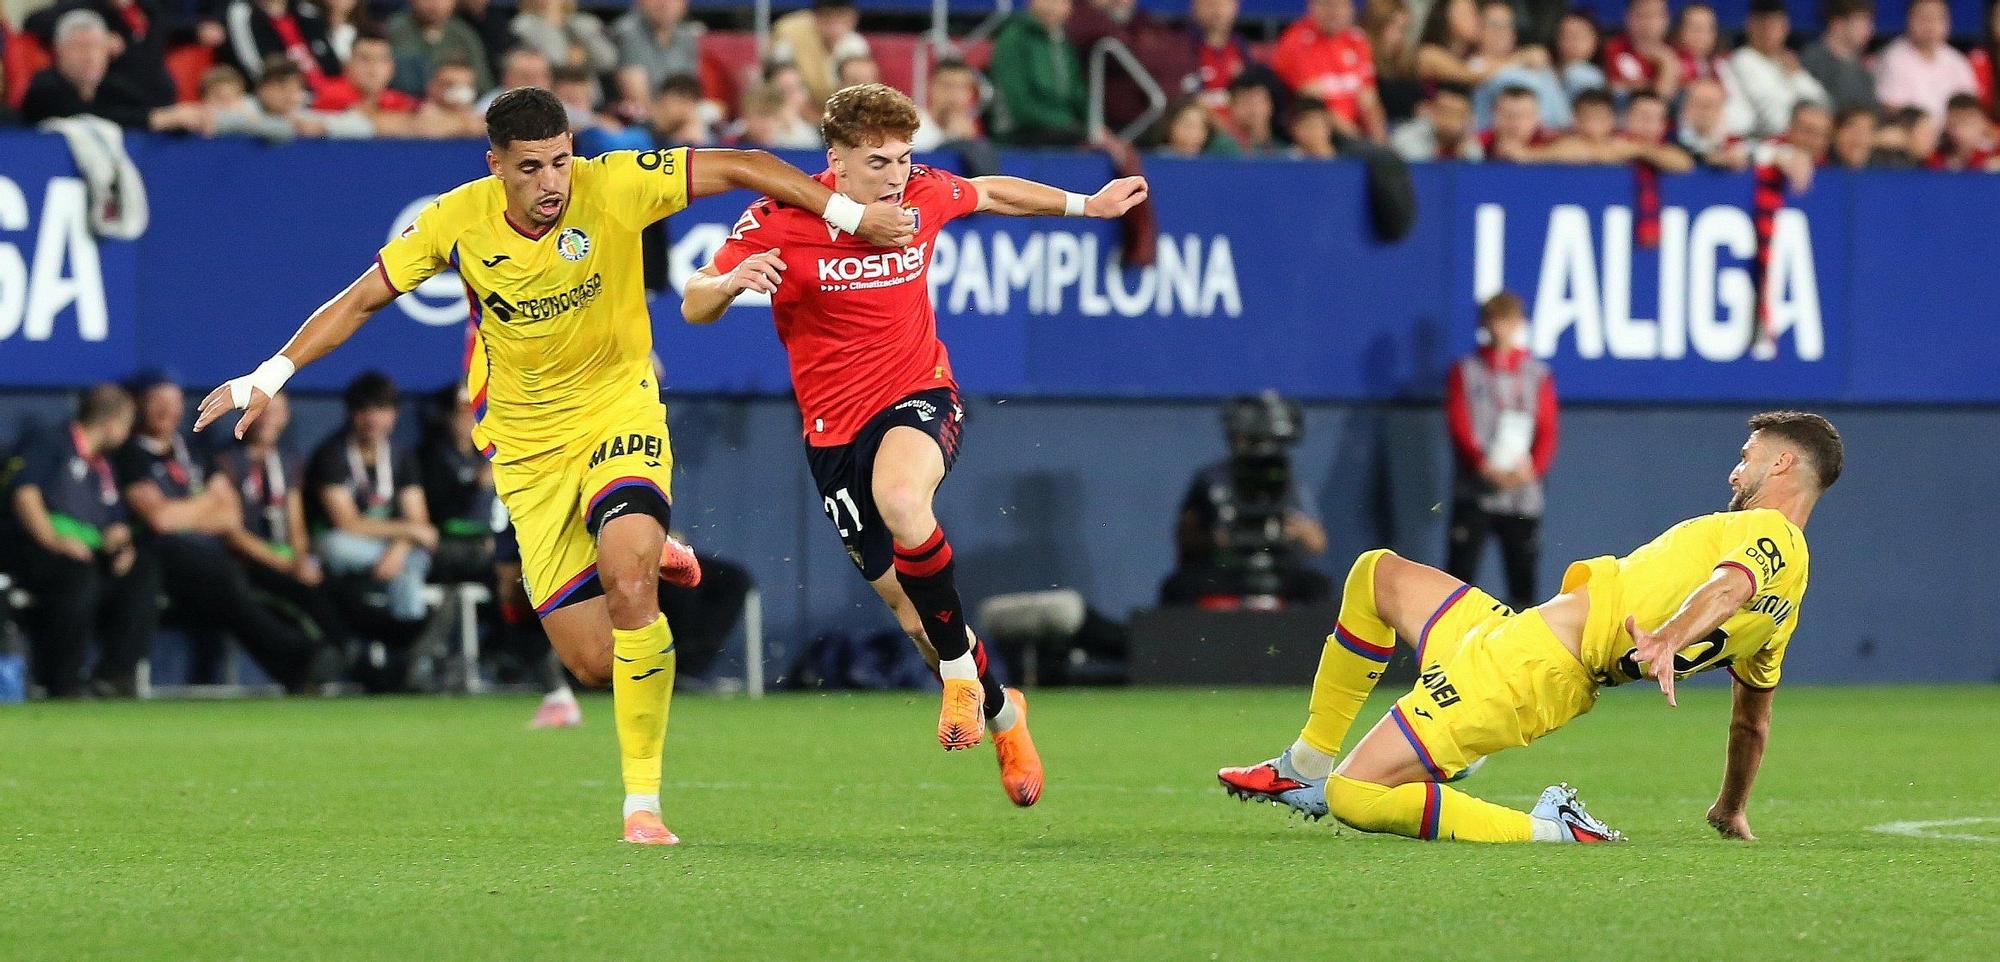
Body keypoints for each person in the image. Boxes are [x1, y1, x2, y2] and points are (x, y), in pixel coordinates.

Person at [194, 86, 913, 844]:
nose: (551, 184)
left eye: (562, 162)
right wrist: (268, 373)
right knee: (594, 663)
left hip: (618, 411)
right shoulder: (454, 221)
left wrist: (850, 214)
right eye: (531, 167)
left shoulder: (614, 184)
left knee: (628, 582)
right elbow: (363, 298)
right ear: (495, 166)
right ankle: (643, 545)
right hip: (529, 453)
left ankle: (643, 803)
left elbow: (744, 164)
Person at [683, 83, 1144, 806]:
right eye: (877, 162)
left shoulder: (923, 194)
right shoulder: (779, 217)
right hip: (831, 432)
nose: (895, 177)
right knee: (915, 620)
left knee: (902, 498)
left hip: (919, 393)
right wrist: (733, 281)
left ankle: (962, 680)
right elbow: (693, 302)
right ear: (833, 158)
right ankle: (1002, 710)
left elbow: (989, 192)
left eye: (903, 159)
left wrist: (1090, 205)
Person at [1221, 412, 1842, 844]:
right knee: (1377, 577)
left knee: (1355, 795)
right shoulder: (1783, 613)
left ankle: (1555, 829)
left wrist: (1671, 634)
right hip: (1517, 638)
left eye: (1747, 457)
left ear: (1784, 461)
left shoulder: (1773, 534)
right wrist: (1730, 806)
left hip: (1527, 671)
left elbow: (1731, 584)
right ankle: (1305, 762)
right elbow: (1750, 722)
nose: (1736, 472)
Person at [117, 371, 329, 692]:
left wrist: (185, 512)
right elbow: (159, 520)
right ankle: (299, 657)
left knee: (240, 587)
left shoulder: (193, 451)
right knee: (229, 583)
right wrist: (205, 507)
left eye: (173, 403)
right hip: (165, 558)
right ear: (140, 407)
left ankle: (303, 662)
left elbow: (230, 513)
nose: (166, 411)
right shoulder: (130, 455)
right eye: (157, 402)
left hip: (212, 555)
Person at [3, 385, 155, 698]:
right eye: (127, 425)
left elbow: (112, 518)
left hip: (89, 551)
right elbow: (25, 494)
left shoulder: (103, 465)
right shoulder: (50, 442)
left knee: (141, 573)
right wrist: (54, 540)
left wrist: (121, 542)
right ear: (112, 421)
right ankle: (62, 683)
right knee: (76, 576)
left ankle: (114, 676)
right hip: (36, 549)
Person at [213, 390, 354, 675]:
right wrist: (288, 565)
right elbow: (231, 532)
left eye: (275, 410)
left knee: (326, 584)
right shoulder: (225, 461)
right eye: (262, 409)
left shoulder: (288, 462)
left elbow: (295, 523)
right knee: (300, 592)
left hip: (285, 561)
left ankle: (350, 655)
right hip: (246, 563)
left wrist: (300, 559)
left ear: (286, 417)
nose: (268, 418)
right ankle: (339, 658)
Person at [1162, 391, 1331, 608]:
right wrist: (1216, 538)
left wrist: (1296, 529)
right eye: (1255, 440)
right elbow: (1184, 538)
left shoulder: (1288, 480)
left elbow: (1318, 542)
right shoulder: (1211, 479)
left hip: (1278, 568)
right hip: (1224, 568)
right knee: (1178, 588)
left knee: (1317, 587)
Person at [1443, 292, 1557, 612]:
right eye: (1494, 319)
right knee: (1457, 582)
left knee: (1524, 583)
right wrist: (1482, 466)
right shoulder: (1466, 371)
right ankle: (1446, 655)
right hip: (1476, 491)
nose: (1500, 328)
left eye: (1507, 320)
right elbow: (1459, 424)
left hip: (1522, 493)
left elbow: (1548, 431)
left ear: (1520, 324)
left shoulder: (1537, 374)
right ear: (1483, 323)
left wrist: (1531, 470)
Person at [22, 9, 204, 130]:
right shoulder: (44, 89)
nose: (90, 56)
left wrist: (176, 116)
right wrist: (154, 119)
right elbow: (87, 119)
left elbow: (148, 103)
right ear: (59, 51)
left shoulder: (112, 87)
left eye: (97, 47)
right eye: (80, 47)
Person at [1270, 0, 1386, 142]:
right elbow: (1315, 102)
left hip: (1358, 136)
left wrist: (1380, 140)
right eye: (1327, 4)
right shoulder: (1296, 42)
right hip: (1318, 133)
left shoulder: (1357, 40)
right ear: (1312, 6)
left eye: (1341, 5)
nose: (1335, 12)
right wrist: (1358, 139)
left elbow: (1369, 100)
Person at [987, 0, 1090, 146]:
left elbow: (1077, 91)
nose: (1052, 6)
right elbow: (1018, 102)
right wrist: (1065, 122)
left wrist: (1092, 124)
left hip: (1063, 130)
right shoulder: (1013, 38)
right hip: (1019, 132)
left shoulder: (1065, 42)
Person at [1723, 0, 1827, 140]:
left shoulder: (1789, 63)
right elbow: (1772, 119)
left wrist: (1796, 76)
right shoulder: (1743, 59)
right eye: (1764, 25)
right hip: (1768, 142)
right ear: (1750, 25)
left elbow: (1824, 104)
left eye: (1776, 25)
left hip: (1803, 140)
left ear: (1785, 27)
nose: (1769, 32)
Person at [1874, 0, 1978, 124]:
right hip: (1910, 132)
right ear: (1908, 19)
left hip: (1952, 134)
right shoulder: (1892, 58)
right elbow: (1891, 108)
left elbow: (1968, 106)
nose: (1930, 25)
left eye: (1937, 18)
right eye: (1924, 18)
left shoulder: (1957, 61)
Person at [768, 0, 867, 106]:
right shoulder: (792, 36)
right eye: (827, 16)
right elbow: (776, 76)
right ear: (815, 17)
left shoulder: (856, 45)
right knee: (787, 78)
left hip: (841, 112)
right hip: (798, 113)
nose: (834, 24)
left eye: (841, 16)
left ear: (853, 19)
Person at [386, 0, 493, 96]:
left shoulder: (463, 34)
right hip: (401, 106)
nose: (435, 4)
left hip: (457, 108)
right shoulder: (395, 30)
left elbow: (482, 84)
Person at [1801, 0, 1877, 115]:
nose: (1870, 30)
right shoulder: (1812, 60)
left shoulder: (1861, 66)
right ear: (1838, 23)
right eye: (1862, 21)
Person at [612, 0, 701, 92]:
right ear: (640, 2)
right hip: (641, 105)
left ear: (684, 4)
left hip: (678, 104)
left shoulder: (686, 38)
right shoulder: (627, 32)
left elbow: (689, 92)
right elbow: (638, 98)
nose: (664, 4)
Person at [510, 0, 614, 75]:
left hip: (587, 95)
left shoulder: (585, 22)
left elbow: (607, 61)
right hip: (547, 93)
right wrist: (550, 20)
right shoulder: (523, 25)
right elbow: (555, 59)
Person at [1190, 0, 1256, 115]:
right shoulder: (1183, 48)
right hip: (1200, 126)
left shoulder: (1241, 48)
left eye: (1223, 5)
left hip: (1237, 124)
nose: (1217, 11)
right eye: (1210, 5)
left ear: (1235, 7)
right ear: (1195, 7)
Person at [1601, 0, 1677, 100]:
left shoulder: (1678, 50)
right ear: (1628, 18)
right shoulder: (1614, 49)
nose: (1649, 23)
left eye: (1655, 16)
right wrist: (1666, 65)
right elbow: (1618, 89)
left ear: (1666, 20)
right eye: (1642, 15)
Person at [1360, 0, 1420, 125]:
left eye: (1405, 30)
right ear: (1377, 26)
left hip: (1410, 123)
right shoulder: (1362, 59)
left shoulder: (1404, 60)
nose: (1401, 36)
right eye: (1398, 28)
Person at [1391, 81, 1481, 161]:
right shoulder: (1407, 136)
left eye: (1457, 115)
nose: (1449, 121)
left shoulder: (1469, 143)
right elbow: (1422, 172)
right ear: (1432, 112)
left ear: (1468, 119)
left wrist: (1461, 157)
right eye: (1444, 112)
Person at [911, 59, 983, 152]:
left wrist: (968, 141)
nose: (955, 95)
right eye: (948, 86)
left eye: (962, 87)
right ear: (931, 88)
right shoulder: (911, 126)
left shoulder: (969, 133)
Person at [1677, 76, 1747, 169]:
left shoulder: (1737, 140)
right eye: (1698, 103)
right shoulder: (1670, 137)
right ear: (1685, 106)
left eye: (1711, 104)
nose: (1705, 110)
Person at [1930, 93, 1998, 171]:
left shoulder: (1994, 155)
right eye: (1954, 124)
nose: (1962, 131)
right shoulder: (1934, 160)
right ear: (1947, 126)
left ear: (1983, 122)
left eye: (1969, 123)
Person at [1552, 10, 1605, 102]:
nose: (1573, 43)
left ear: (1596, 40)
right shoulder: (1544, 69)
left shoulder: (1596, 75)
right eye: (1566, 36)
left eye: (1580, 36)